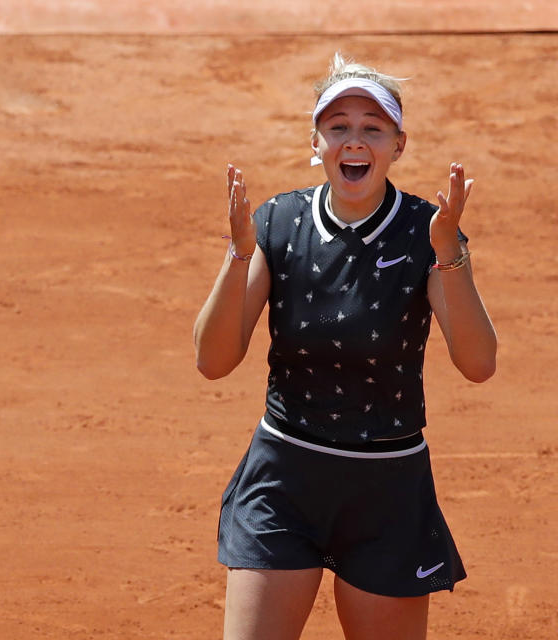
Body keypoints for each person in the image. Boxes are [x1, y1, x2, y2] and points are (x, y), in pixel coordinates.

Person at [193, 53, 497, 640]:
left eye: (372, 127)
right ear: (317, 140)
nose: (354, 140)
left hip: (387, 489)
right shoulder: (277, 222)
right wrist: (236, 254)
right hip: (283, 480)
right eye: (339, 127)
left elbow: (479, 364)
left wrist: (448, 254)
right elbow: (213, 360)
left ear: (397, 144)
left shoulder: (425, 230)